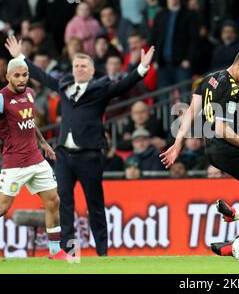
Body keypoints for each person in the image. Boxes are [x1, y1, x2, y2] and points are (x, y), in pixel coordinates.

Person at [5, 35, 155, 256]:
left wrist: (141, 67)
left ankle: (102, 253)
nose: (79, 69)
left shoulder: (101, 88)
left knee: (95, 205)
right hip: (64, 156)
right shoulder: (64, 85)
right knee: (64, 204)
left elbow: (123, 85)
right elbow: (42, 76)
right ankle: (69, 253)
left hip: (89, 156)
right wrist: (19, 56)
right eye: (76, 65)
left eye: (84, 66)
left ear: (92, 71)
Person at [160, 46, 239, 256]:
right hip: (226, 148)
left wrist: (178, 142)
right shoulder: (231, 89)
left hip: (212, 150)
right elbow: (221, 129)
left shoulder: (209, 79)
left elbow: (192, 111)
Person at [0, 57, 68, 259]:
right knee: (3, 207)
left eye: (25, 75)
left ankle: (55, 250)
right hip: (14, 163)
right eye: (17, 76)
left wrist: (43, 143)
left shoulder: (30, 94)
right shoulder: (2, 98)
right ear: (8, 77)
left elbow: (29, 121)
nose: (22, 79)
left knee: (53, 200)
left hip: (36, 160)